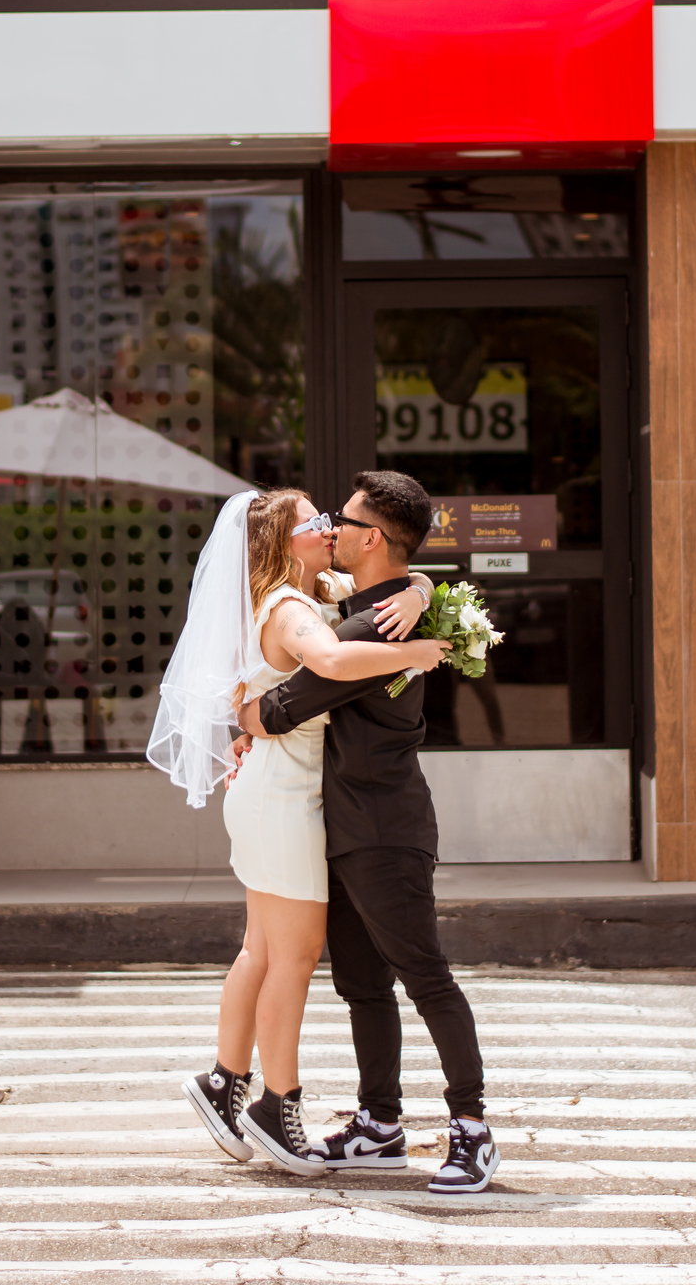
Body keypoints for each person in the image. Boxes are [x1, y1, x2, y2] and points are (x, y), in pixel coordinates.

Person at [147, 487, 447, 1175]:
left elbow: (397, 576)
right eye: (314, 521)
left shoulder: (313, 590)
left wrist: (422, 590)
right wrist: (418, 652)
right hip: (282, 797)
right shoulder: (289, 609)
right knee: (294, 957)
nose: (329, 527)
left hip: (272, 790)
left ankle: (224, 1081)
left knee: (260, 948)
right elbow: (337, 664)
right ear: (287, 544)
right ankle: (276, 1105)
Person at [236, 470, 501, 1195]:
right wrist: (419, 584)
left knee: (424, 976)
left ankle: (472, 1129)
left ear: (371, 538)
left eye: (343, 522)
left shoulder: (370, 626)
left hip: (383, 830)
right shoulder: (391, 605)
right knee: (362, 985)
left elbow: (288, 701)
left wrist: (248, 718)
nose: (333, 531)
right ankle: (380, 1125)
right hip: (347, 828)